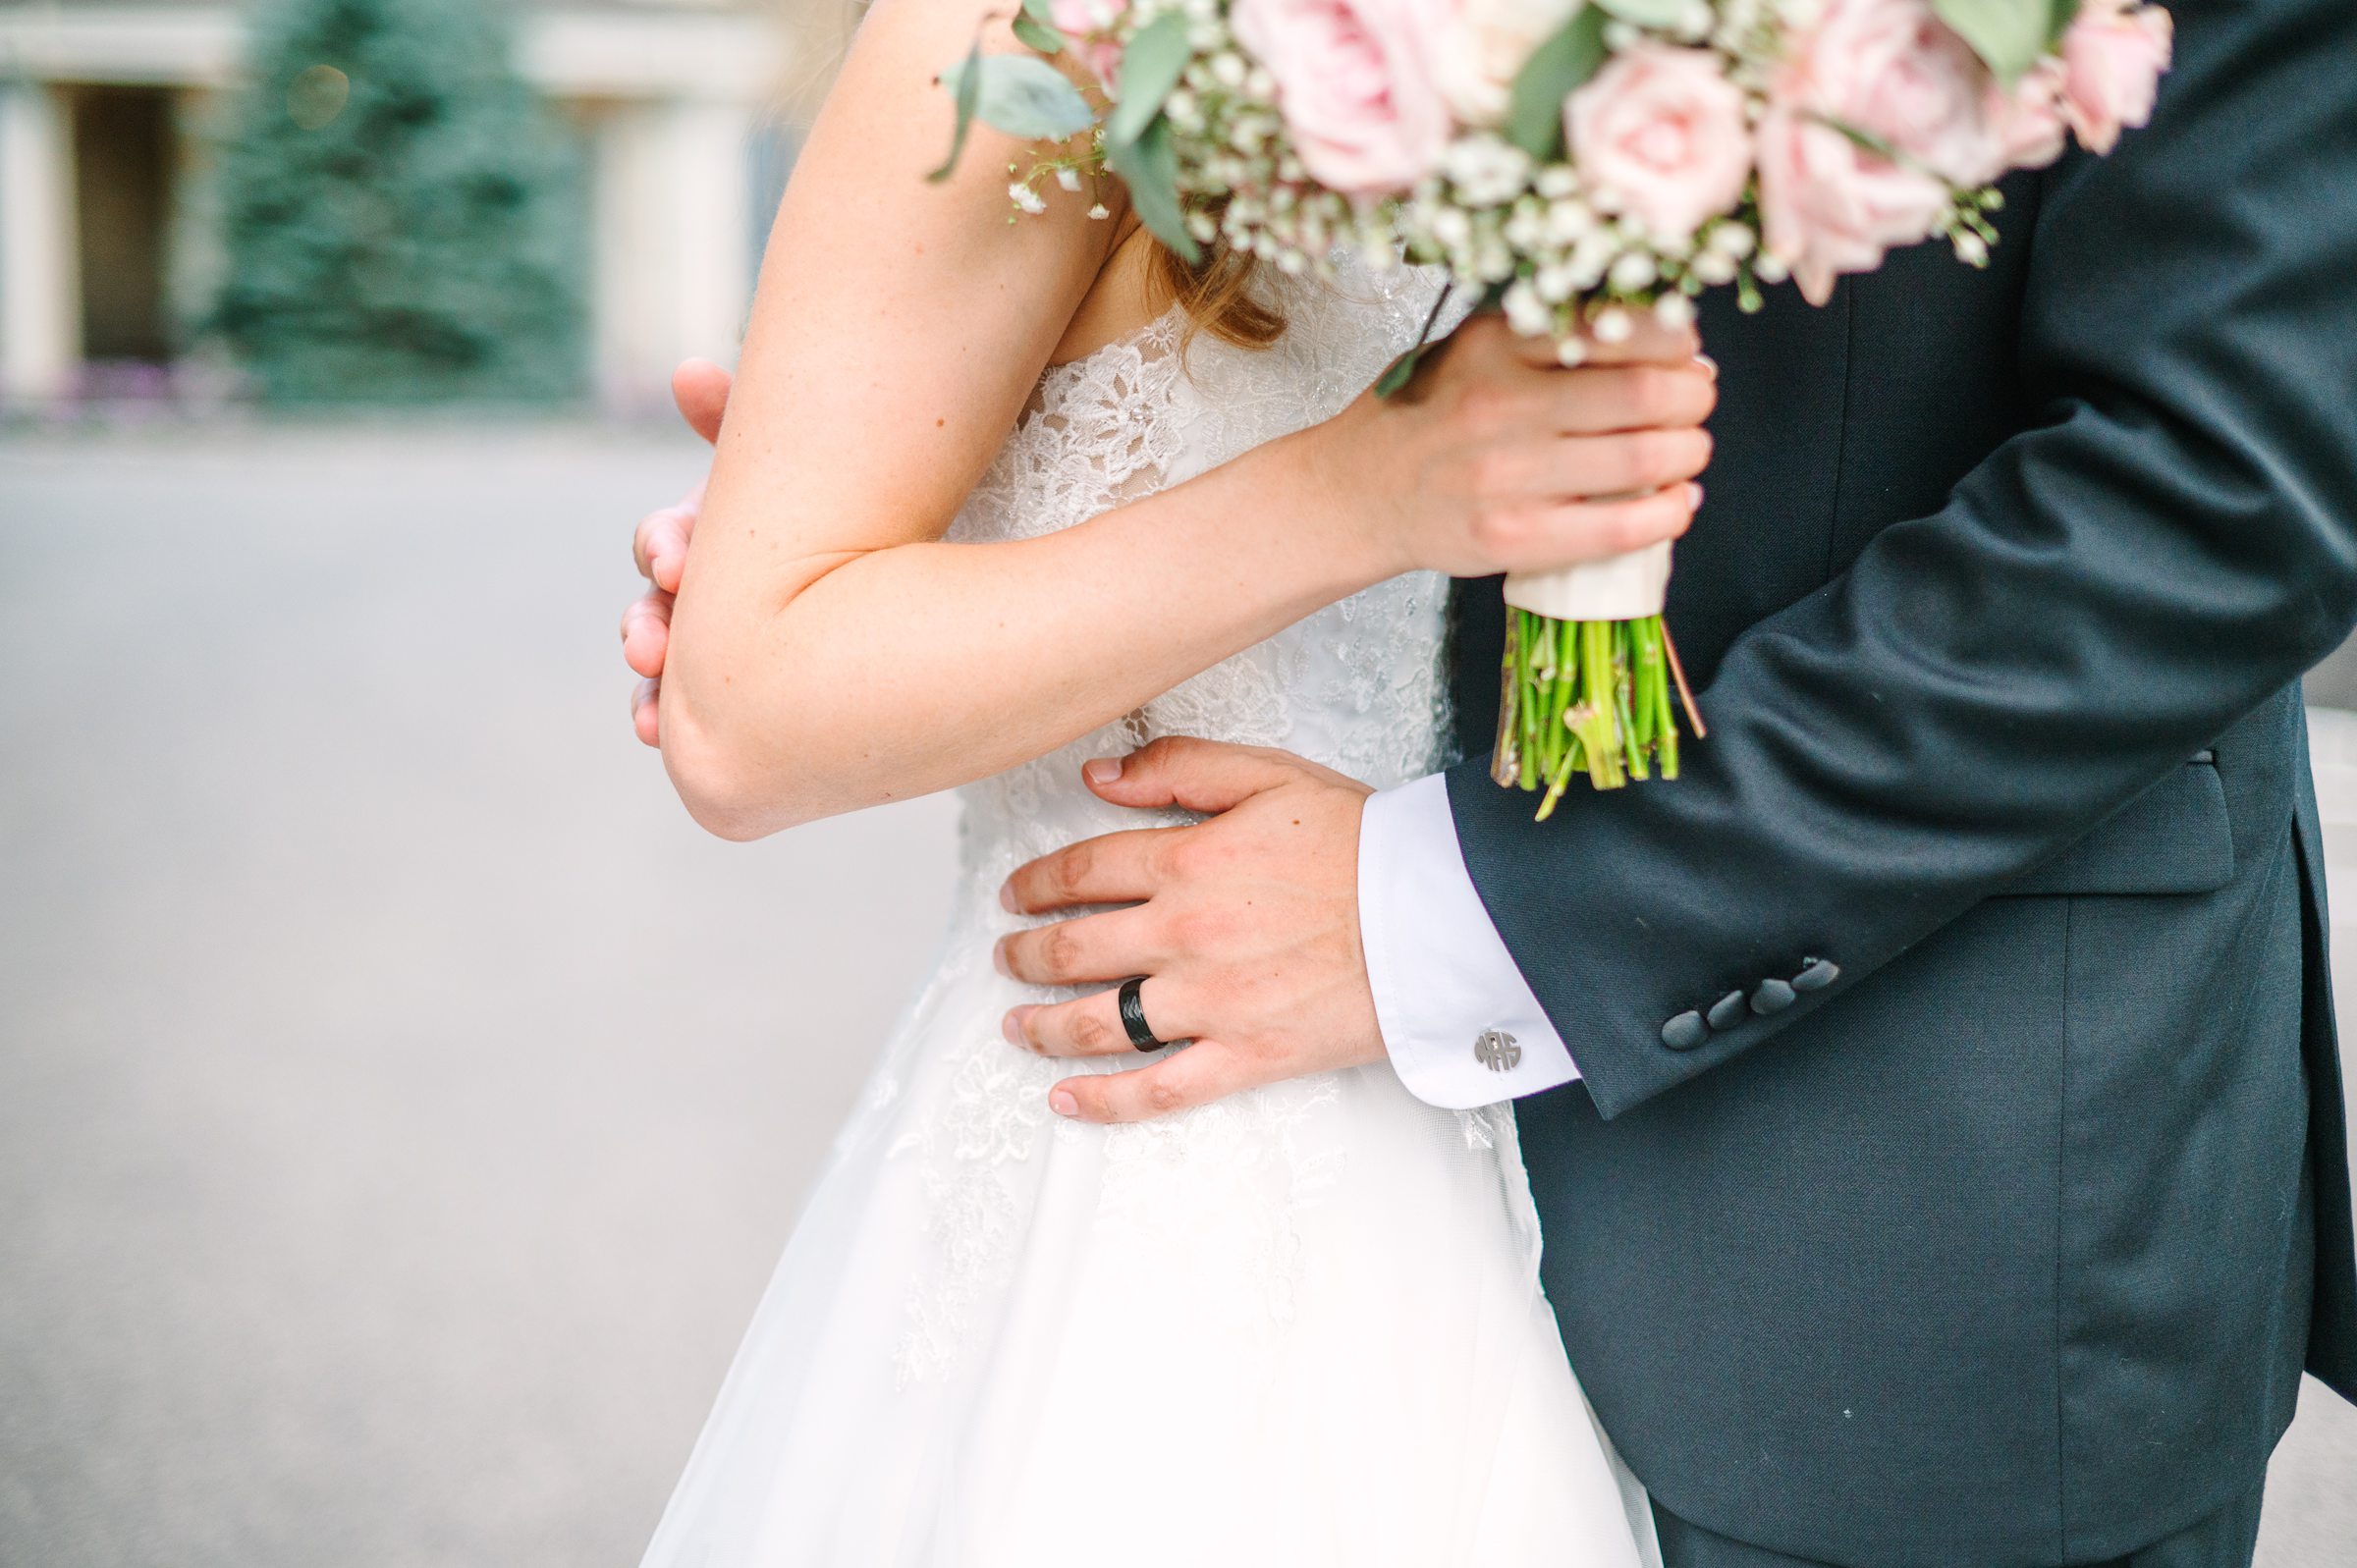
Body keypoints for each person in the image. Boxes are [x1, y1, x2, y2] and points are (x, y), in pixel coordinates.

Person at [627, 0, 2357, 1564]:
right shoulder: (1053, 33)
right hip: (1187, 1172)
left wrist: (1441, 903)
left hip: (1904, 1181)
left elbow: (2228, 464)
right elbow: (762, 689)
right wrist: (968, 483)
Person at [618, 0, 1717, 1561]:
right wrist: (1368, 486)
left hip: (1469, 1140)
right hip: (1126, 1153)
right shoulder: (1029, 30)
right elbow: (748, 709)